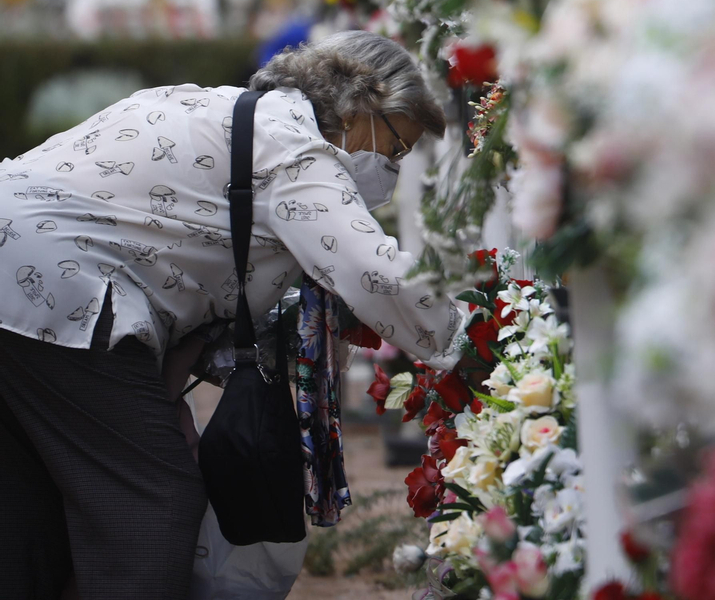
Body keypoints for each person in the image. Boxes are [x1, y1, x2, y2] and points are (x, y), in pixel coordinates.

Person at [0, 30, 469, 600]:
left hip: (27, 283)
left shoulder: (216, 106)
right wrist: (472, 336)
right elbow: (376, 275)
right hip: (58, 293)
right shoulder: (293, 150)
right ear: (362, 107)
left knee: (28, 501)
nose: (391, 172)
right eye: (396, 148)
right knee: (152, 499)